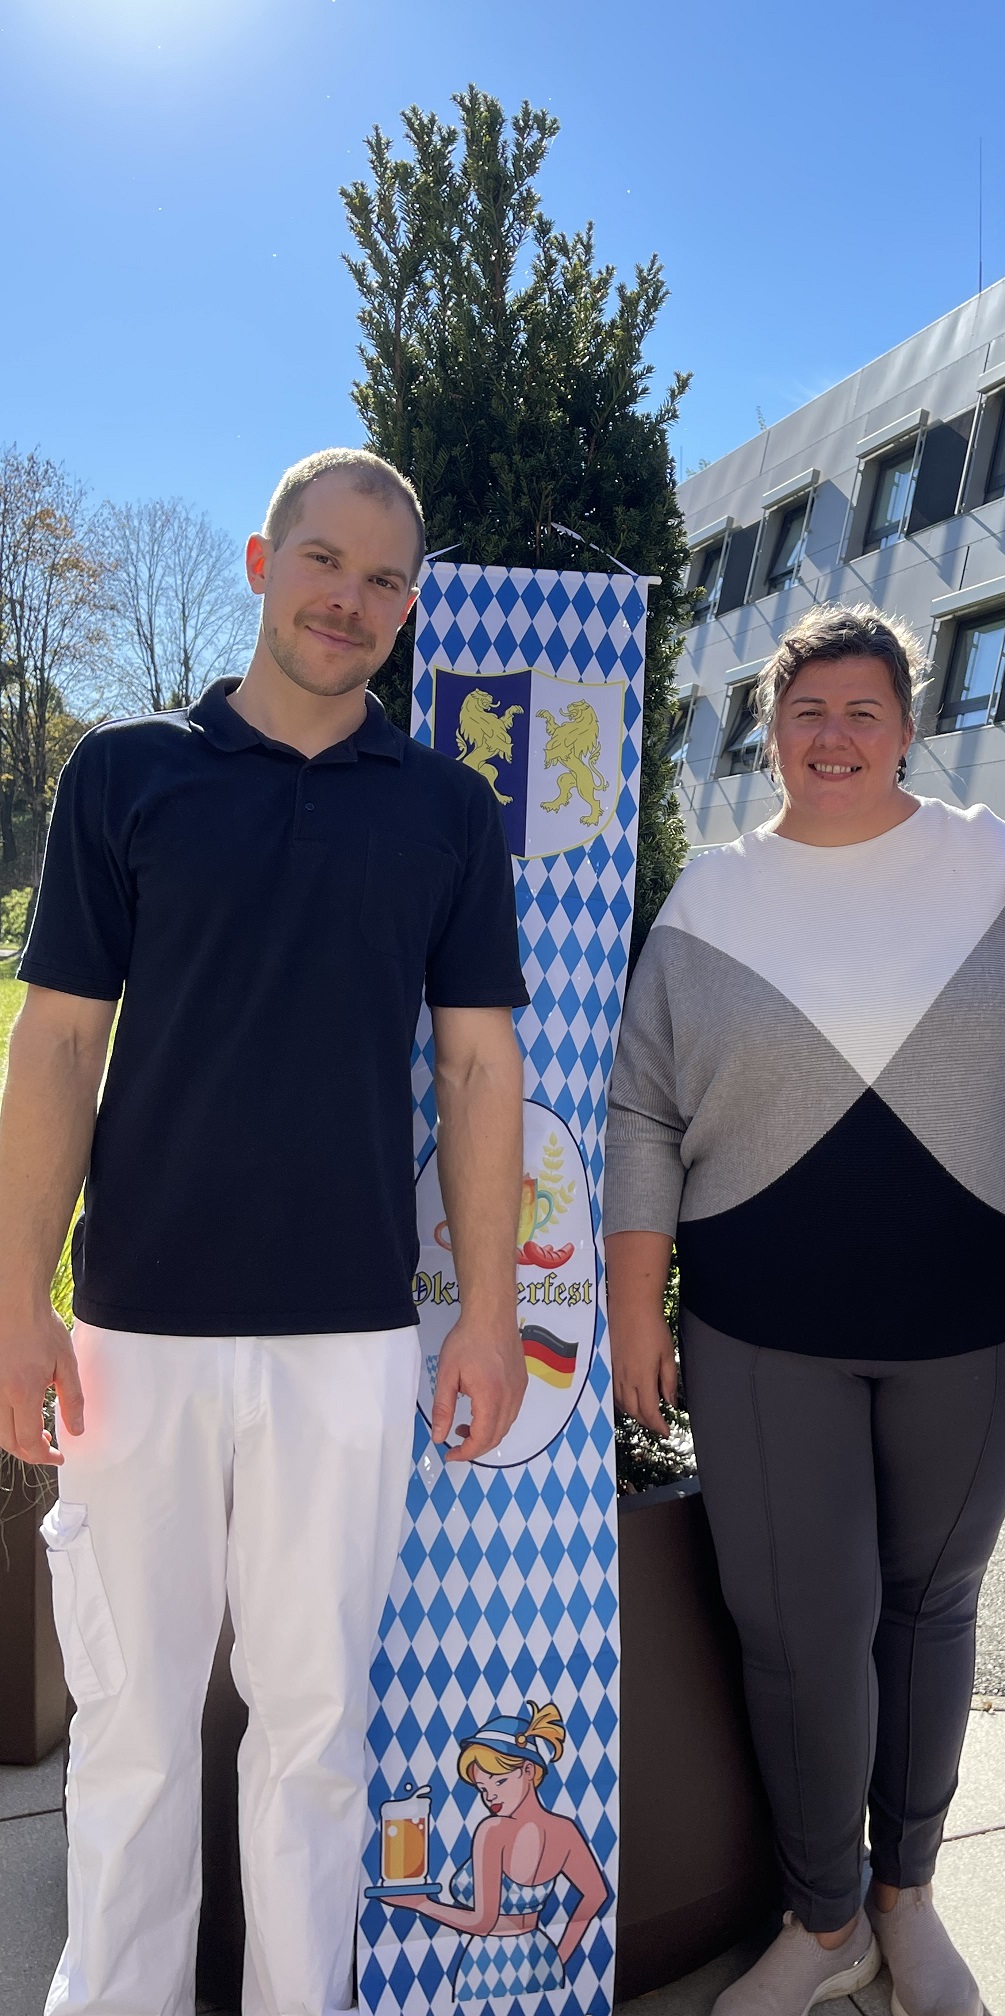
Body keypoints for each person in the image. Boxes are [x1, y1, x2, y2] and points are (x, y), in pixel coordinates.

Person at [0, 448, 532, 2016]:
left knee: (316, 1731)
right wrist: (17, 1298)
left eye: (384, 582)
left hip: (347, 1339)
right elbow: (58, 1047)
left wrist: (487, 1313)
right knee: (133, 1727)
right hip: (136, 1332)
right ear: (260, 561)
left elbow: (480, 1066)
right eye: (323, 562)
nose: (348, 601)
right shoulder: (125, 776)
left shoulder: (446, 809)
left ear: (411, 609)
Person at [605, 603, 1005, 2016]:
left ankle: (904, 1900)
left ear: (908, 726)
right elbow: (643, 1110)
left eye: (864, 710)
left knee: (928, 1611)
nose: (834, 736)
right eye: (806, 711)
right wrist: (635, 1308)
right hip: (760, 1325)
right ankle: (822, 1923)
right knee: (801, 1630)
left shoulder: (1004, 871)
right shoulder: (708, 904)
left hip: (983, 1310)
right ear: (769, 730)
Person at [380, 1701, 610, 2000]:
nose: (490, 1796)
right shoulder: (564, 1829)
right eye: (482, 1788)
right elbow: (596, 1894)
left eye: (499, 1780)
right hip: (542, 1956)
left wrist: (421, 1903)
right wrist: (558, 1958)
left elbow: (482, 1922)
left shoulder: (493, 1830)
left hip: (491, 1960)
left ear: (528, 1770)